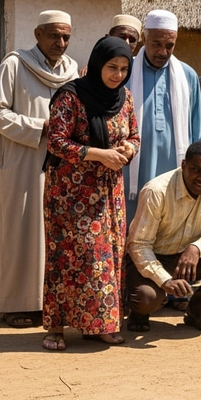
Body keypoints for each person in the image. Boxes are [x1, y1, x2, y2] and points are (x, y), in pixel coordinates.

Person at [42, 36, 139, 351]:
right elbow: (55, 141)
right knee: (68, 257)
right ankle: (56, 327)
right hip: (70, 193)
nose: (118, 75)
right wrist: (98, 154)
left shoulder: (124, 98)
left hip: (109, 192)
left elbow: (134, 135)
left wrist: (128, 148)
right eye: (112, 67)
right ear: (98, 64)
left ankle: (99, 324)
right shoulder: (70, 97)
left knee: (106, 256)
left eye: (124, 68)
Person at [0, 10, 78, 328]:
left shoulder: (71, 71)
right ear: (38, 34)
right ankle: (15, 304)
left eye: (66, 36)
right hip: (22, 164)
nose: (60, 42)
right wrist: (41, 128)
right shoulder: (15, 64)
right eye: (54, 35)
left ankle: (46, 302)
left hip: (57, 165)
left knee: (52, 234)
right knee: (20, 232)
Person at [126, 142, 201, 335]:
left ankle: (199, 314)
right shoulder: (156, 191)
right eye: (196, 170)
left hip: (189, 257)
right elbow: (138, 246)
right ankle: (138, 313)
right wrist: (164, 280)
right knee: (146, 298)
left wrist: (196, 248)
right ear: (183, 164)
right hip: (152, 257)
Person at [125, 9, 201, 222]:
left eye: (169, 45)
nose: (163, 51)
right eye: (156, 44)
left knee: (168, 221)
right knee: (132, 222)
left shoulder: (187, 75)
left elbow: (197, 126)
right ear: (145, 37)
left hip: (174, 164)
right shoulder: (126, 71)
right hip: (133, 166)